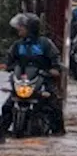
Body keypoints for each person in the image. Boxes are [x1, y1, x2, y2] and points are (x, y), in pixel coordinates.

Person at [0, 13, 64, 141]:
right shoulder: (18, 45)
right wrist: (5, 65)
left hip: (42, 79)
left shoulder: (45, 43)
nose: (19, 29)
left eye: (21, 27)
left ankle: (58, 131)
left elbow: (55, 59)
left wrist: (55, 69)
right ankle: (3, 132)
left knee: (54, 103)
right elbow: (9, 59)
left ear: (30, 28)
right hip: (22, 80)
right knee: (7, 106)